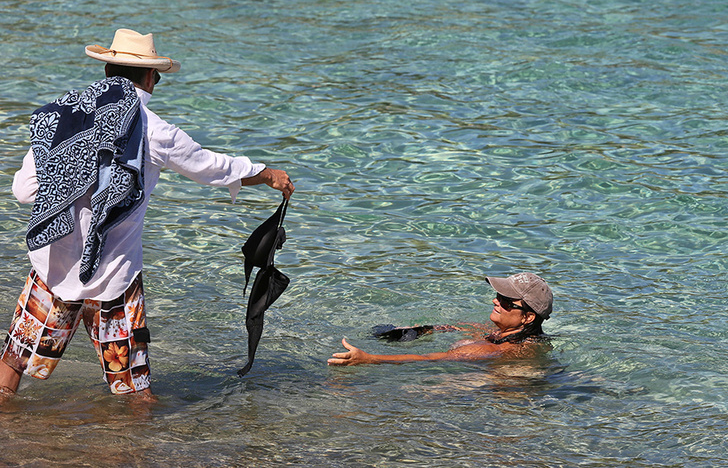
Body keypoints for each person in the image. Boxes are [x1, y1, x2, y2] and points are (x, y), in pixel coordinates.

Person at [0, 28, 295, 400]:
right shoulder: (154, 130)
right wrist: (268, 174)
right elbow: (213, 168)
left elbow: (23, 191)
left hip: (53, 268)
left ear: (107, 71)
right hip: (115, 278)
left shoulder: (61, 120)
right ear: (152, 77)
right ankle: (143, 451)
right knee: (135, 391)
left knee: (11, 368)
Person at [327, 272, 553, 366]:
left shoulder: (500, 350)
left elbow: (428, 357)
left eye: (506, 301)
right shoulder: (507, 335)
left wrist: (370, 358)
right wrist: (424, 329)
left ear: (528, 317)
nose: (496, 302)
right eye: (497, 295)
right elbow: (463, 328)